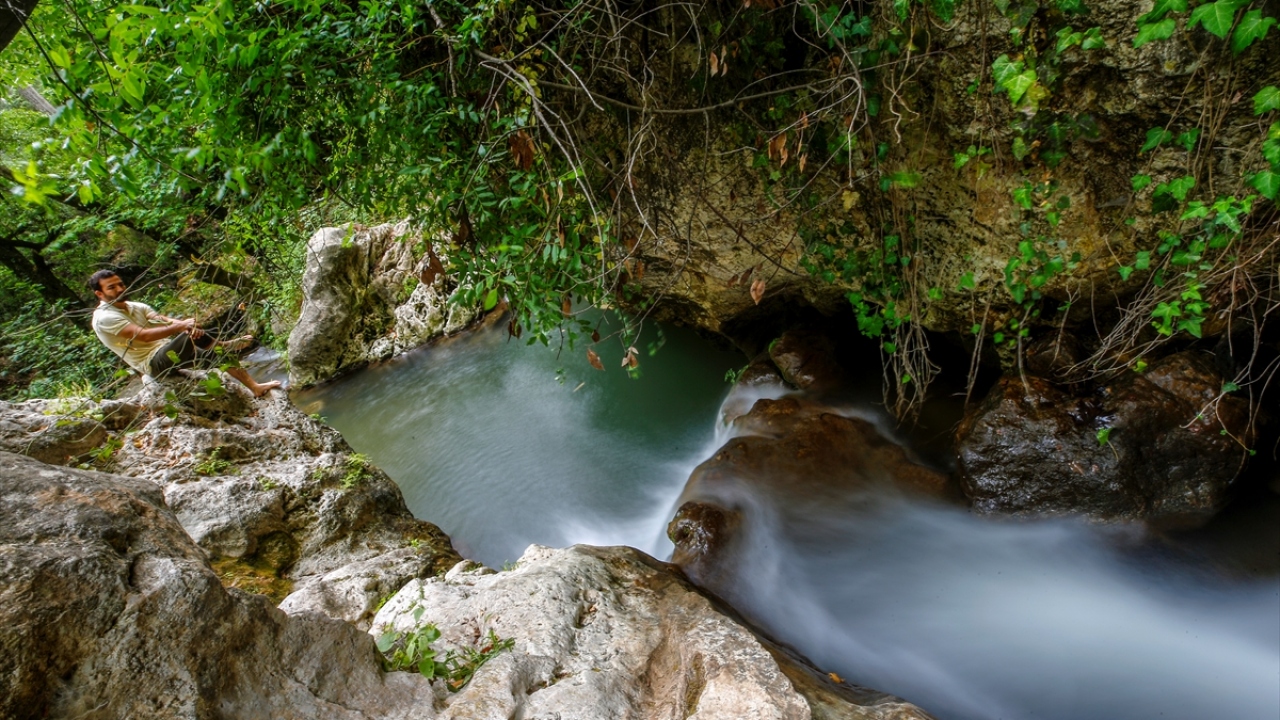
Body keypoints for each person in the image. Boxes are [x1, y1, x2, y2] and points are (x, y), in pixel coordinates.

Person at [88, 270, 281, 397]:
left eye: (120, 284)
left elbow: (162, 320)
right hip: (153, 364)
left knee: (217, 355)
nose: (120, 289)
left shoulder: (135, 306)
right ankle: (222, 343)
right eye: (112, 287)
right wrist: (183, 328)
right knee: (193, 336)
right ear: (99, 293)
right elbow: (143, 335)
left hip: (169, 352)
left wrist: (183, 323)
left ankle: (254, 387)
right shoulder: (105, 317)